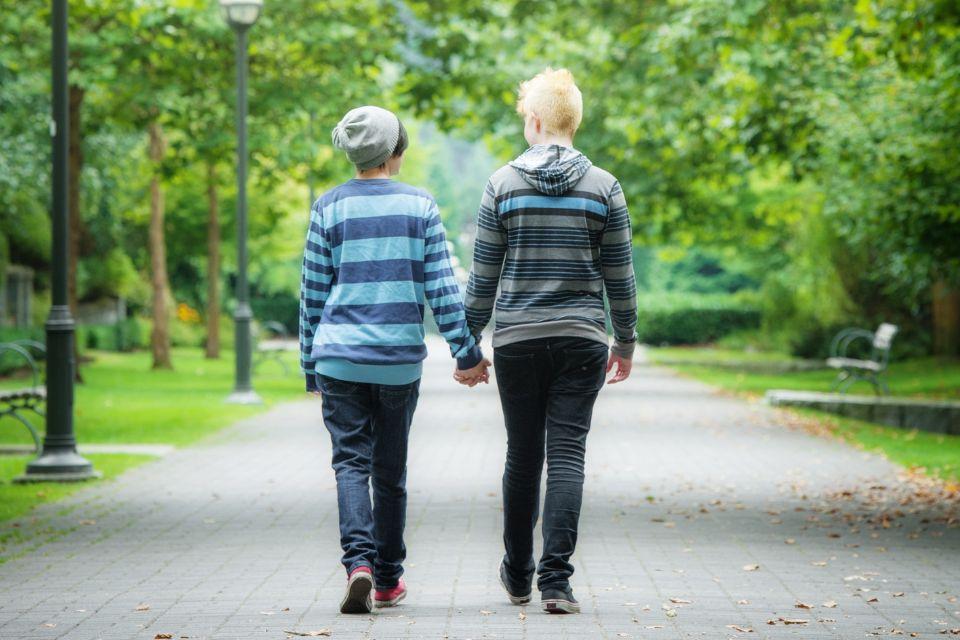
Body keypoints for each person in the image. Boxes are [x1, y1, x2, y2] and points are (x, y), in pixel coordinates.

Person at [460, 68, 638, 614]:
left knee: (522, 453)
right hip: (583, 336)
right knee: (567, 454)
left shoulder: (502, 184)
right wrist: (625, 340)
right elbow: (620, 275)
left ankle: (517, 575)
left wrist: (468, 344)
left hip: (516, 339)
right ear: (574, 123)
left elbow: (483, 275)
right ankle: (556, 582)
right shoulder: (604, 186)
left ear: (534, 121)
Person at [300, 105, 490, 614]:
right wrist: (467, 352)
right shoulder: (420, 206)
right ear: (395, 151)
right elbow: (442, 289)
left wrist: (308, 363)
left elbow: (312, 294)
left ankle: (357, 563)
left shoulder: (328, 207)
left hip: (338, 358)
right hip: (397, 362)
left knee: (349, 463)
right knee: (390, 471)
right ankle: (386, 581)